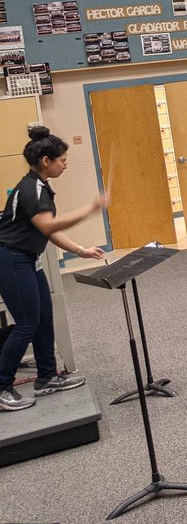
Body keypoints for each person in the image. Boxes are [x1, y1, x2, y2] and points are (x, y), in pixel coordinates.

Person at [0, 126, 108, 412]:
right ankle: (1, 386)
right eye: (61, 159)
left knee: (44, 318)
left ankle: (46, 377)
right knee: (26, 323)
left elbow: (45, 231)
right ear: (45, 161)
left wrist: (79, 250)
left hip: (27, 258)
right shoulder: (31, 188)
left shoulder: (39, 186)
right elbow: (47, 225)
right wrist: (89, 209)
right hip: (11, 259)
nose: (66, 163)